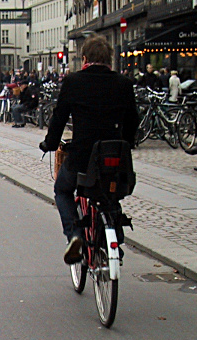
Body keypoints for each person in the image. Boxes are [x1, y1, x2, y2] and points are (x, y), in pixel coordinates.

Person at [39, 34, 139, 265]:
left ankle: (74, 234)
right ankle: (115, 244)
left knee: (62, 190)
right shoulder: (123, 84)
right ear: (109, 59)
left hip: (82, 158)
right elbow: (133, 120)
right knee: (110, 194)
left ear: (84, 58)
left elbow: (59, 118)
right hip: (115, 156)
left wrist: (50, 144)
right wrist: (127, 142)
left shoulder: (74, 82)